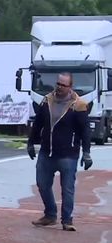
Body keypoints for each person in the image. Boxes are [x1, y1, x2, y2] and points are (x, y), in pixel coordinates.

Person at [27, 72, 93, 232]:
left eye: (63, 85)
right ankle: (50, 214)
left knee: (67, 188)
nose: (59, 87)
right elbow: (38, 124)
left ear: (70, 87)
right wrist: (30, 143)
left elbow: (85, 131)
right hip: (46, 152)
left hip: (68, 154)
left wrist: (87, 153)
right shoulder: (47, 100)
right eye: (58, 83)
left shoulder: (78, 105)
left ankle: (67, 220)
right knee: (42, 184)